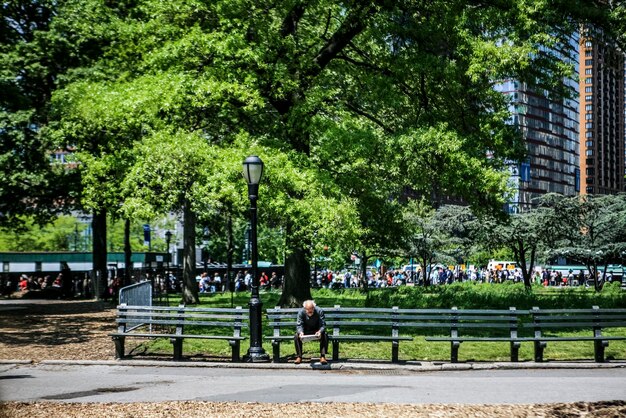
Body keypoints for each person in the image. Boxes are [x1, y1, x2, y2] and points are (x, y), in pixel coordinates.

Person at [294, 300, 328, 365]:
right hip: (305, 331)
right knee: (296, 336)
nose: (310, 312)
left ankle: (323, 356)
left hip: (316, 330)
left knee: (325, 334)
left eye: (311, 310)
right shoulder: (301, 312)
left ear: (314, 307)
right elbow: (299, 325)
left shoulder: (319, 311)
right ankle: (299, 356)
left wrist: (320, 331)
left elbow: (323, 325)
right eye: (308, 311)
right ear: (305, 308)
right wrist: (301, 332)